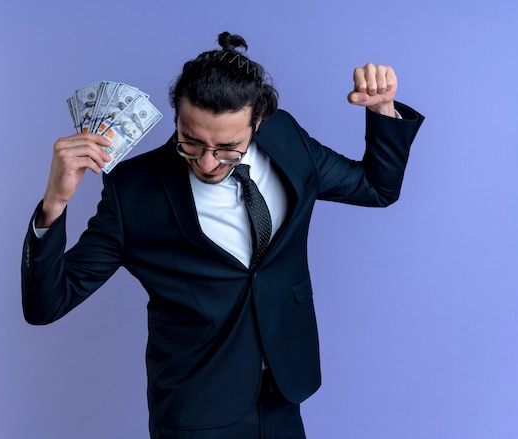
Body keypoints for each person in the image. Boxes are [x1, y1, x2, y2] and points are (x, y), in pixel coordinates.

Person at [22, 31, 424, 438]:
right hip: (198, 407)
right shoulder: (133, 190)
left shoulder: (287, 139)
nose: (208, 162)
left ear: (259, 122)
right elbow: (46, 305)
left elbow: (376, 188)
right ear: (177, 117)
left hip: (283, 390)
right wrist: (54, 204)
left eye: (228, 147)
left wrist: (383, 110)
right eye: (191, 143)